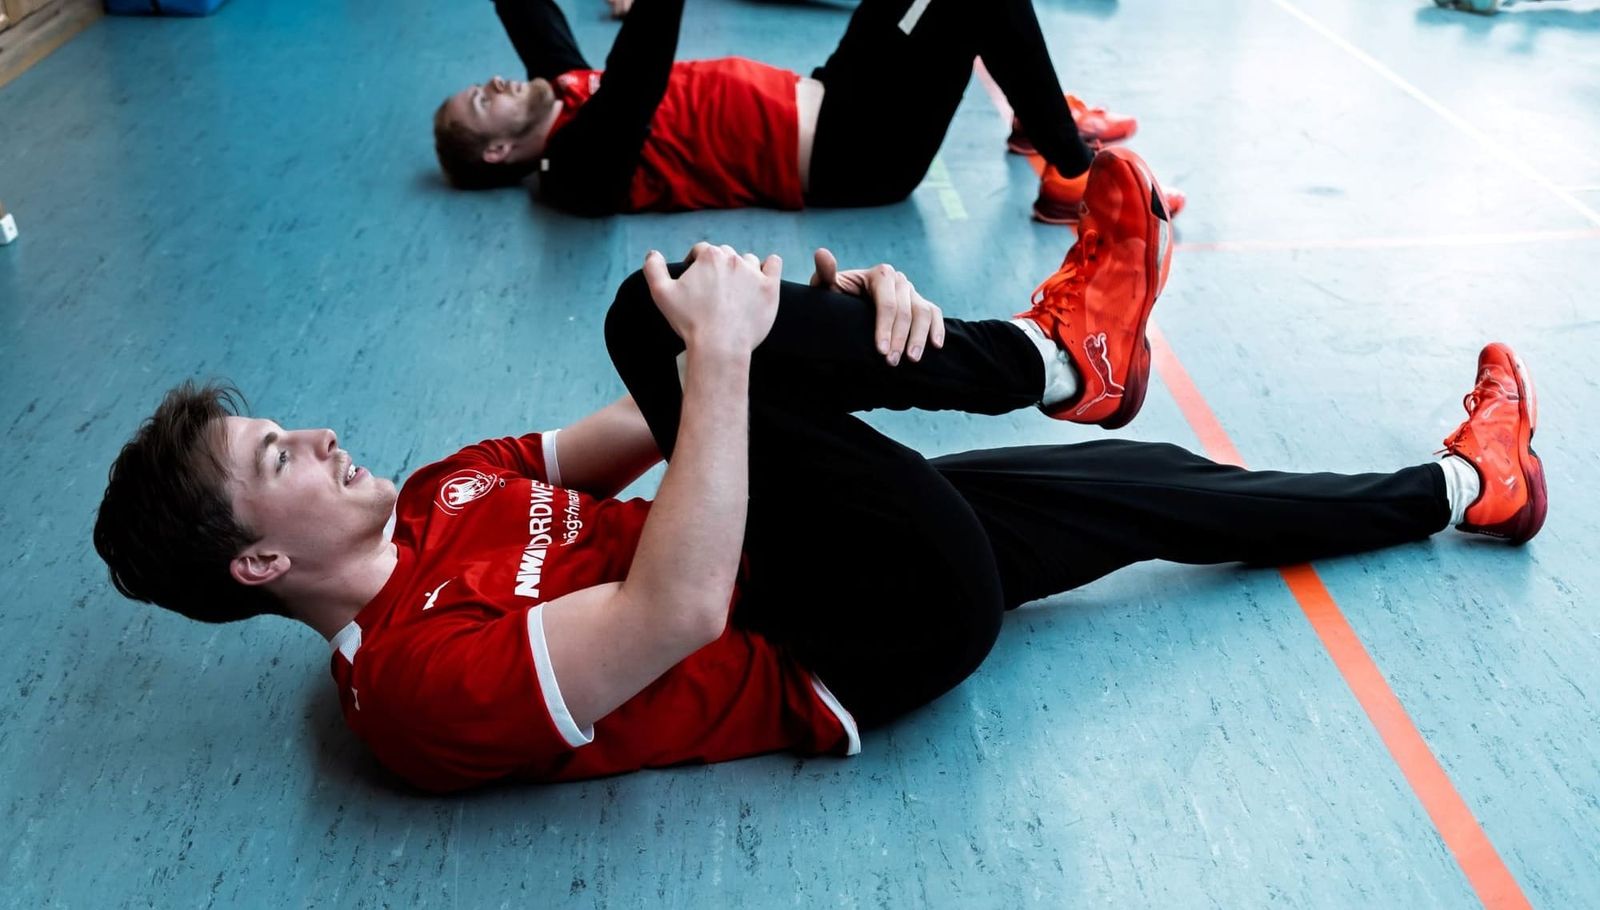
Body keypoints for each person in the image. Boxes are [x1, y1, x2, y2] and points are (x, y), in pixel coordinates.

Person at [92, 149, 1542, 792]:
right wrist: (737, 361)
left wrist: (829, 328)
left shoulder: (441, 492)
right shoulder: (410, 683)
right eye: (279, 454)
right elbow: (674, 607)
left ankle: (1468, 486)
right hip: (842, 644)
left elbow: (653, 426)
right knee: (644, 312)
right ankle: (1054, 362)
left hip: (801, 551)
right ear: (257, 562)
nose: (322, 435)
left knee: (1156, 481)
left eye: (291, 420)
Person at [431, 0, 1183, 223]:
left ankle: (1033, 119)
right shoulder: (577, 167)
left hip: (833, 91)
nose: (494, 81)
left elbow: (526, 9)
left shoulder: (556, 91)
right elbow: (639, 73)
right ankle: (1075, 179)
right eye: (480, 101)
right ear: (498, 152)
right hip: (856, 155)